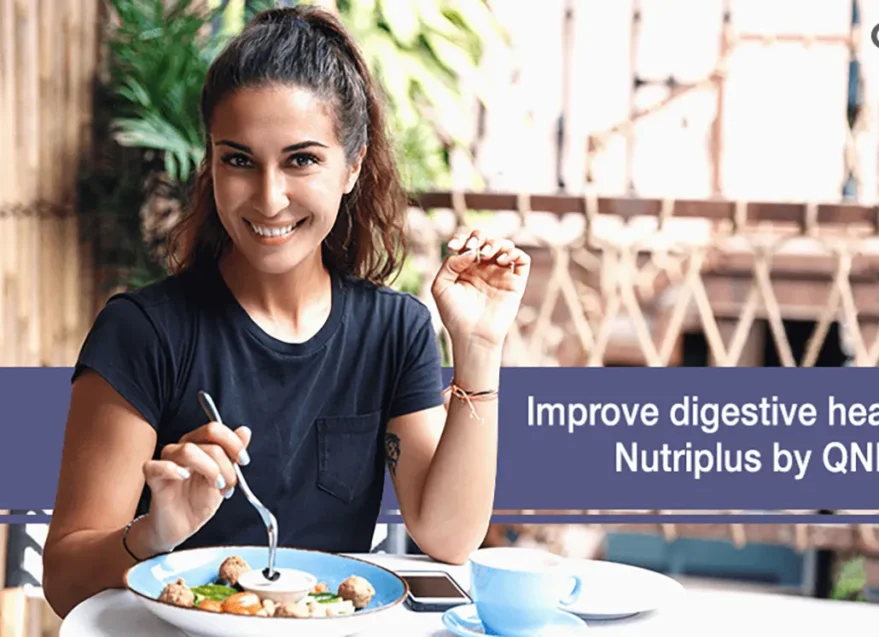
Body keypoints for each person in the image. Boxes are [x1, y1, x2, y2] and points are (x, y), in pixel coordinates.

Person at [41, 5, 529, 618]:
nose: (269, 198)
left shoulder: (393, 330)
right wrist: (152, 534)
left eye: (302, 160)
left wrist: (479, 349)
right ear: (211, 163)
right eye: (238, 160)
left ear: (352, 166)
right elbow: (63, 580)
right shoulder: (143, 332)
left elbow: (449, 537)